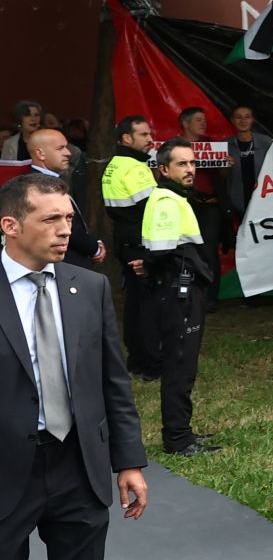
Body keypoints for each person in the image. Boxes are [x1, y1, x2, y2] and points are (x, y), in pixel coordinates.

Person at [1, 172, 154, 560]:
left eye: (68, 219)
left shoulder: (86, 288)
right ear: (11, 225)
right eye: (51, 220)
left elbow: (111, 381)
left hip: (76, 468)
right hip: (5, 473)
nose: (67, 230)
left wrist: (128, 458)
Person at [141, 138, 220, 455]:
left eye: (192, 163)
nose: (190, 169)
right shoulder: (166, 202)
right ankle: (177, 439)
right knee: (179, 366)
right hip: (177, 293)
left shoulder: (173, 197)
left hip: (179, 289)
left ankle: (182, 432)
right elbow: (161, 251)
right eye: (182, 164)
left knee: (183, 364)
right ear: (164, 169)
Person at [99, 115, 161, 379]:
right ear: (127, 138)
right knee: (148, 305)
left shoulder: (115, 164)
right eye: (144, 135)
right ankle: (150, 363)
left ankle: (137, 359)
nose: (150, 139)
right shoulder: (136, 169)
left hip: (125, 240)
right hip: (140, 242)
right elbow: (154, 210)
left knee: (135, 304)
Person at [25, 129, 105, 266]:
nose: (68, 153)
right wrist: (94, 248)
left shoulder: (50, 181)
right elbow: (65, 226)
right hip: (64, 265)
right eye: (60, 148)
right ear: (40, 153)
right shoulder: (39, 186)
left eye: (66, 147)